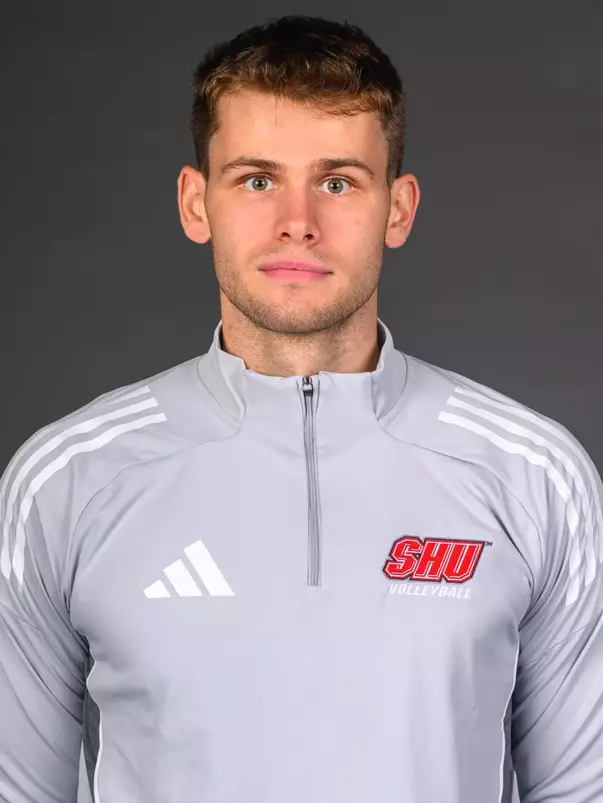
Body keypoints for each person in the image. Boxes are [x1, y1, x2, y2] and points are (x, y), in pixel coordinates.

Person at [0, 13, 601, 803]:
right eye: (256, 178)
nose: (297, 221)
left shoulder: (535, 476)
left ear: (397, 207)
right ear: (194, 203)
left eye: (338, 181)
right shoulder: (68, 480)